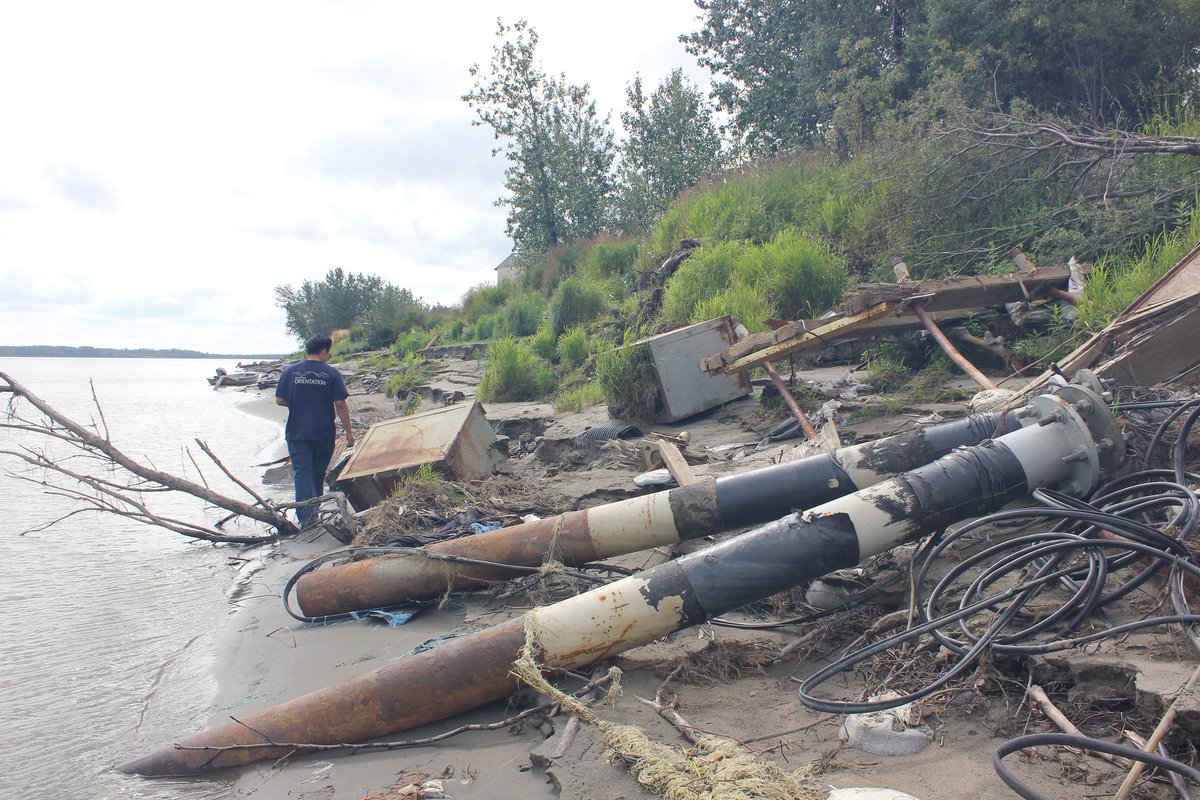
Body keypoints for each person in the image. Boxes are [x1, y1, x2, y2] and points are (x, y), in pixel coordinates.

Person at [275, 334, 355, 526]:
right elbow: (340, 404)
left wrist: (299, 403)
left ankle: (306, 518)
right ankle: (315, 513)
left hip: (297, 431)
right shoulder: (331, 374)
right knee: (318, 473)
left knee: (302, 473)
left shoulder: (290, 372)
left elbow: (280, 400)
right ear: (323, 351)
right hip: (323, 431)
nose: (328, 356)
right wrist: (349, 433)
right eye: (328, 353)